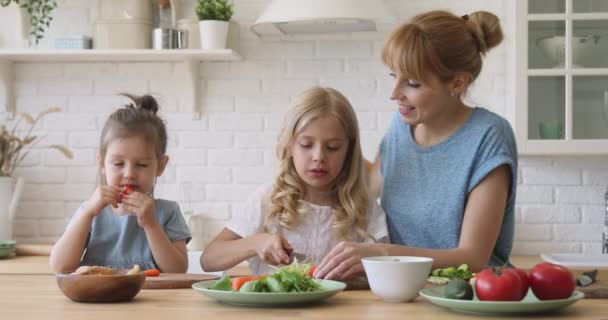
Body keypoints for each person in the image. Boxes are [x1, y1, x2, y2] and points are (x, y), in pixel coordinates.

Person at [314, 10, 518, 280]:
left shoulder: (489, 134)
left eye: (412, 83)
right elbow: (371, 184)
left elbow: (473, 257)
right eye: (393, 76)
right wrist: (323, 149)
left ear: (457, 83)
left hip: (472, 296)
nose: (394, 93)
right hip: (405, 288)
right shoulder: (402, 125)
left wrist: (379, 254)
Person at [200, 87, 388, 275]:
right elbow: (209, 260)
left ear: (349, 151)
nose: (318, 156)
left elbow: (388, 268)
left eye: (333, 147)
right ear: (289, 146)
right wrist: (255, 243)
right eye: (306, 145)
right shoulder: (267, 199)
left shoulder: (365, 209)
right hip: (275, 305)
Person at [50, 94, 191, 273]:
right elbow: (60, 266)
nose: (129, 174)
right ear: (102, 164)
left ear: (160, 166)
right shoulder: (90, 211)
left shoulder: (168, 212)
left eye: (141, 164)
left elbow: (177, 271)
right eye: (118, 164)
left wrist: (151, 224)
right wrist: (87, 214)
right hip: (97, 296)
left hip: (153, 299)